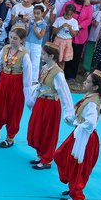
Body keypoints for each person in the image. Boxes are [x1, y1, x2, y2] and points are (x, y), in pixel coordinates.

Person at [54, 70, 101, 200]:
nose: (84, 82)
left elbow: (91, 122)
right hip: (80, 133)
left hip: (84, 137)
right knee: (61, 156)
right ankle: (73, 186)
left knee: (78, 165)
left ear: (95, 87)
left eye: (87, 81)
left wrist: (76, 122)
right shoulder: (91, 96)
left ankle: (78, 197)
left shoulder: (92, 102)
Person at [0, 26, 33, 148]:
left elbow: (28, 75)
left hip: (16, 83)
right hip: (4, 81)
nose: (12, 40)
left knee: (13, 110)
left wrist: (27, 92)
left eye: (15, 38)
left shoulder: (24, 55)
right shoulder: (5, 49)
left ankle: (10, 138)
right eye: (11, 37)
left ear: (22, 40)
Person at [26, 42, 74, 170]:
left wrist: (69, 112)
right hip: (41, 103)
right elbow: (39, 86)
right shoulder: (44, 68)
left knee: (48, 132)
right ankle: (41, 154)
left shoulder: (58, 73)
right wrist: (32, 99)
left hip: (51, 105)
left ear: (52, 56)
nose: (41, 56)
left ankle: (47, 159)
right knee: (38, 129)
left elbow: (64, 93)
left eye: (43, 54)